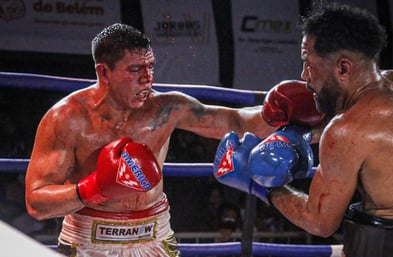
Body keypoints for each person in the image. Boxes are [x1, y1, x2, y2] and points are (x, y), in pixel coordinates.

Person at [25, 23, 324, 257]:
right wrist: (96, 188)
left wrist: (278, 113)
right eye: (135, 70)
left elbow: (235, 122)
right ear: (103, 72)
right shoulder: (67, 119)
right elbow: (37, 202)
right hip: (89, 238)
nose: (148, 78)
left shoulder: (167, 108)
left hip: (153, 235)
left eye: (151, 66)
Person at [213, 3, 393, 257]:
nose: (304, 75)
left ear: (343, 68)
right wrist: (303, 135)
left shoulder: (345, 131)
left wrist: (256, 183)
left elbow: (319, 221)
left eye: (309, 63)